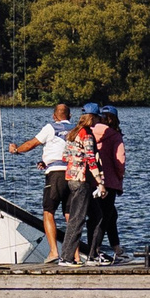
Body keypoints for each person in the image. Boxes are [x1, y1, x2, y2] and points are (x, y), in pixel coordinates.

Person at [9, 102, 76, 262]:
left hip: (56, 174)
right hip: (73, 173)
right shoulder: (76, 129)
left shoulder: (50, 127)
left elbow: (32, 143)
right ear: (70, 116)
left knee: (48, 211)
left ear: (54, 116)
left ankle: (54, 252)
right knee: (70, 215)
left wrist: (17, 149)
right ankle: (76, 255)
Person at [58, 106, 107, 265]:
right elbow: (91, 160)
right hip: (82, 181)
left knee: (98, 215)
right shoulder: (87, 135)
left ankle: (92, 255)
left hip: (71, 178)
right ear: (93, 118)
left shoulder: (72, 133)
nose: (100, 120)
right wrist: (100, 182)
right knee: (77, 219)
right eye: (98, 118)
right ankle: (66, 257)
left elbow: (65, 157)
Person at [89, 106, 127, 261]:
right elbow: (120, 160)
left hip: (92, 180)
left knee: (109, 215)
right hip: (109, 182)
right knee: (104, 217)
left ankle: (117, 249)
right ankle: (94, 250)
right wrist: (119, 177)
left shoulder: (89, 132)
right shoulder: (115, 135)